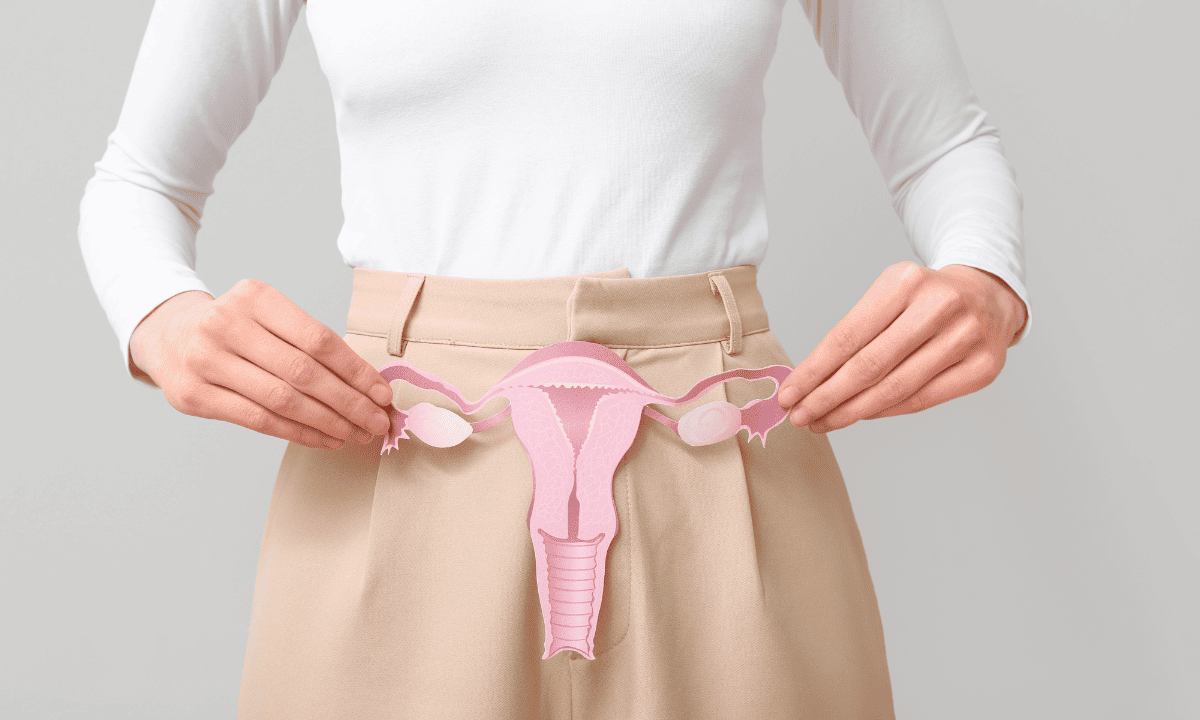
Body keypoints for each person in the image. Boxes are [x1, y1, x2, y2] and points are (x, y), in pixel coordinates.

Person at [78, 0, 1030, 717]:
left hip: (718, 443)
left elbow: (943, 140)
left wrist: (985, 275)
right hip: (398, 445)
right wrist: (160, 316)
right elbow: (140, 178)